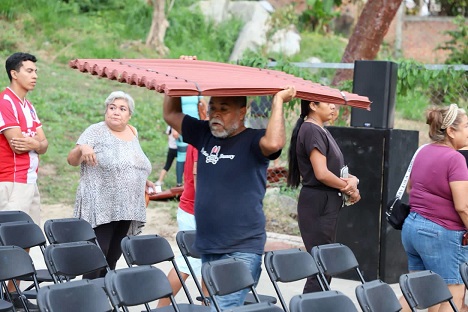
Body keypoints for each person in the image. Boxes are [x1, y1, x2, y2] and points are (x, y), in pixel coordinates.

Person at [163, 76, 296, 310]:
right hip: (209, 246)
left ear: (242, 112)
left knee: (223, 307)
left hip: (242, 248)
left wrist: (278, 102)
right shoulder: (205, 134)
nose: (215, 114)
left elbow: (274, 144)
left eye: (224, 109)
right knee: (218, 305)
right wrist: (178, 78)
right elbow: (171, 115)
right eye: (213, 107)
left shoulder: (254, 141)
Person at [67, 90, 155, 279]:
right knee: (98, 255)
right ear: (106, 111)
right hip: (102, 205)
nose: (116, 112)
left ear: (129, 114)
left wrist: (142, 178)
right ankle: (88, 300)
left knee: (113, 256)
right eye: (112, 107)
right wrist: (82, 148)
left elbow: (130, 162)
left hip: (127, 207)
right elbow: (72, 160)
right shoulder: (95, 131)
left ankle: (105, 299)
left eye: (122, 109)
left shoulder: (133, 132)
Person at [287, 99, 361, 294]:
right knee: (321, 266)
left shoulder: (320, 129)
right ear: (312, 105)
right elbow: (321, 173)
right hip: (318, 203)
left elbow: (335, 170)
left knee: (324, 264)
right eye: (328, 103)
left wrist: (353, 181)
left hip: (325, 202)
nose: (334, 107)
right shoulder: (311, 130)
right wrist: (348, 188)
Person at [399, 104, 468, 312]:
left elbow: (411, 189)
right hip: (441, 233)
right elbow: (463, 205)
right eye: (466, 126)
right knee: (452, 293)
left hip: (412, 227)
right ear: (451, 131)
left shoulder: (423, 151)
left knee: (420, 293)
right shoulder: (455, 158)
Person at [0, 52, 48, 310]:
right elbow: (17, 144)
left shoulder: (28, 106)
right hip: (12, 181)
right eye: (29, 71)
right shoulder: (4, 101)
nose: (35, 75)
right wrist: (36, 143)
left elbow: (44, 144)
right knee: (9, 241)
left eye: (36, 71)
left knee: (28, 238)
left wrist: (36, 144)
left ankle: (11, 291)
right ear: (14, 73)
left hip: (31, 181)